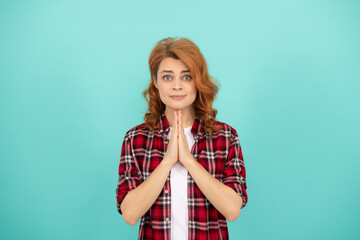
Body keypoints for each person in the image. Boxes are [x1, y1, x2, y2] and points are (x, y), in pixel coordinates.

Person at [116, 37, 248, 240]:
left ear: (198, 81)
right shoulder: (135, 139)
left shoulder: (226, 137)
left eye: (186, 77)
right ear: (155, 82)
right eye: (167, 77)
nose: (177, 86)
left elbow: (232, 210)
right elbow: (130, 214)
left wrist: (188, 160)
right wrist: (168, 160)